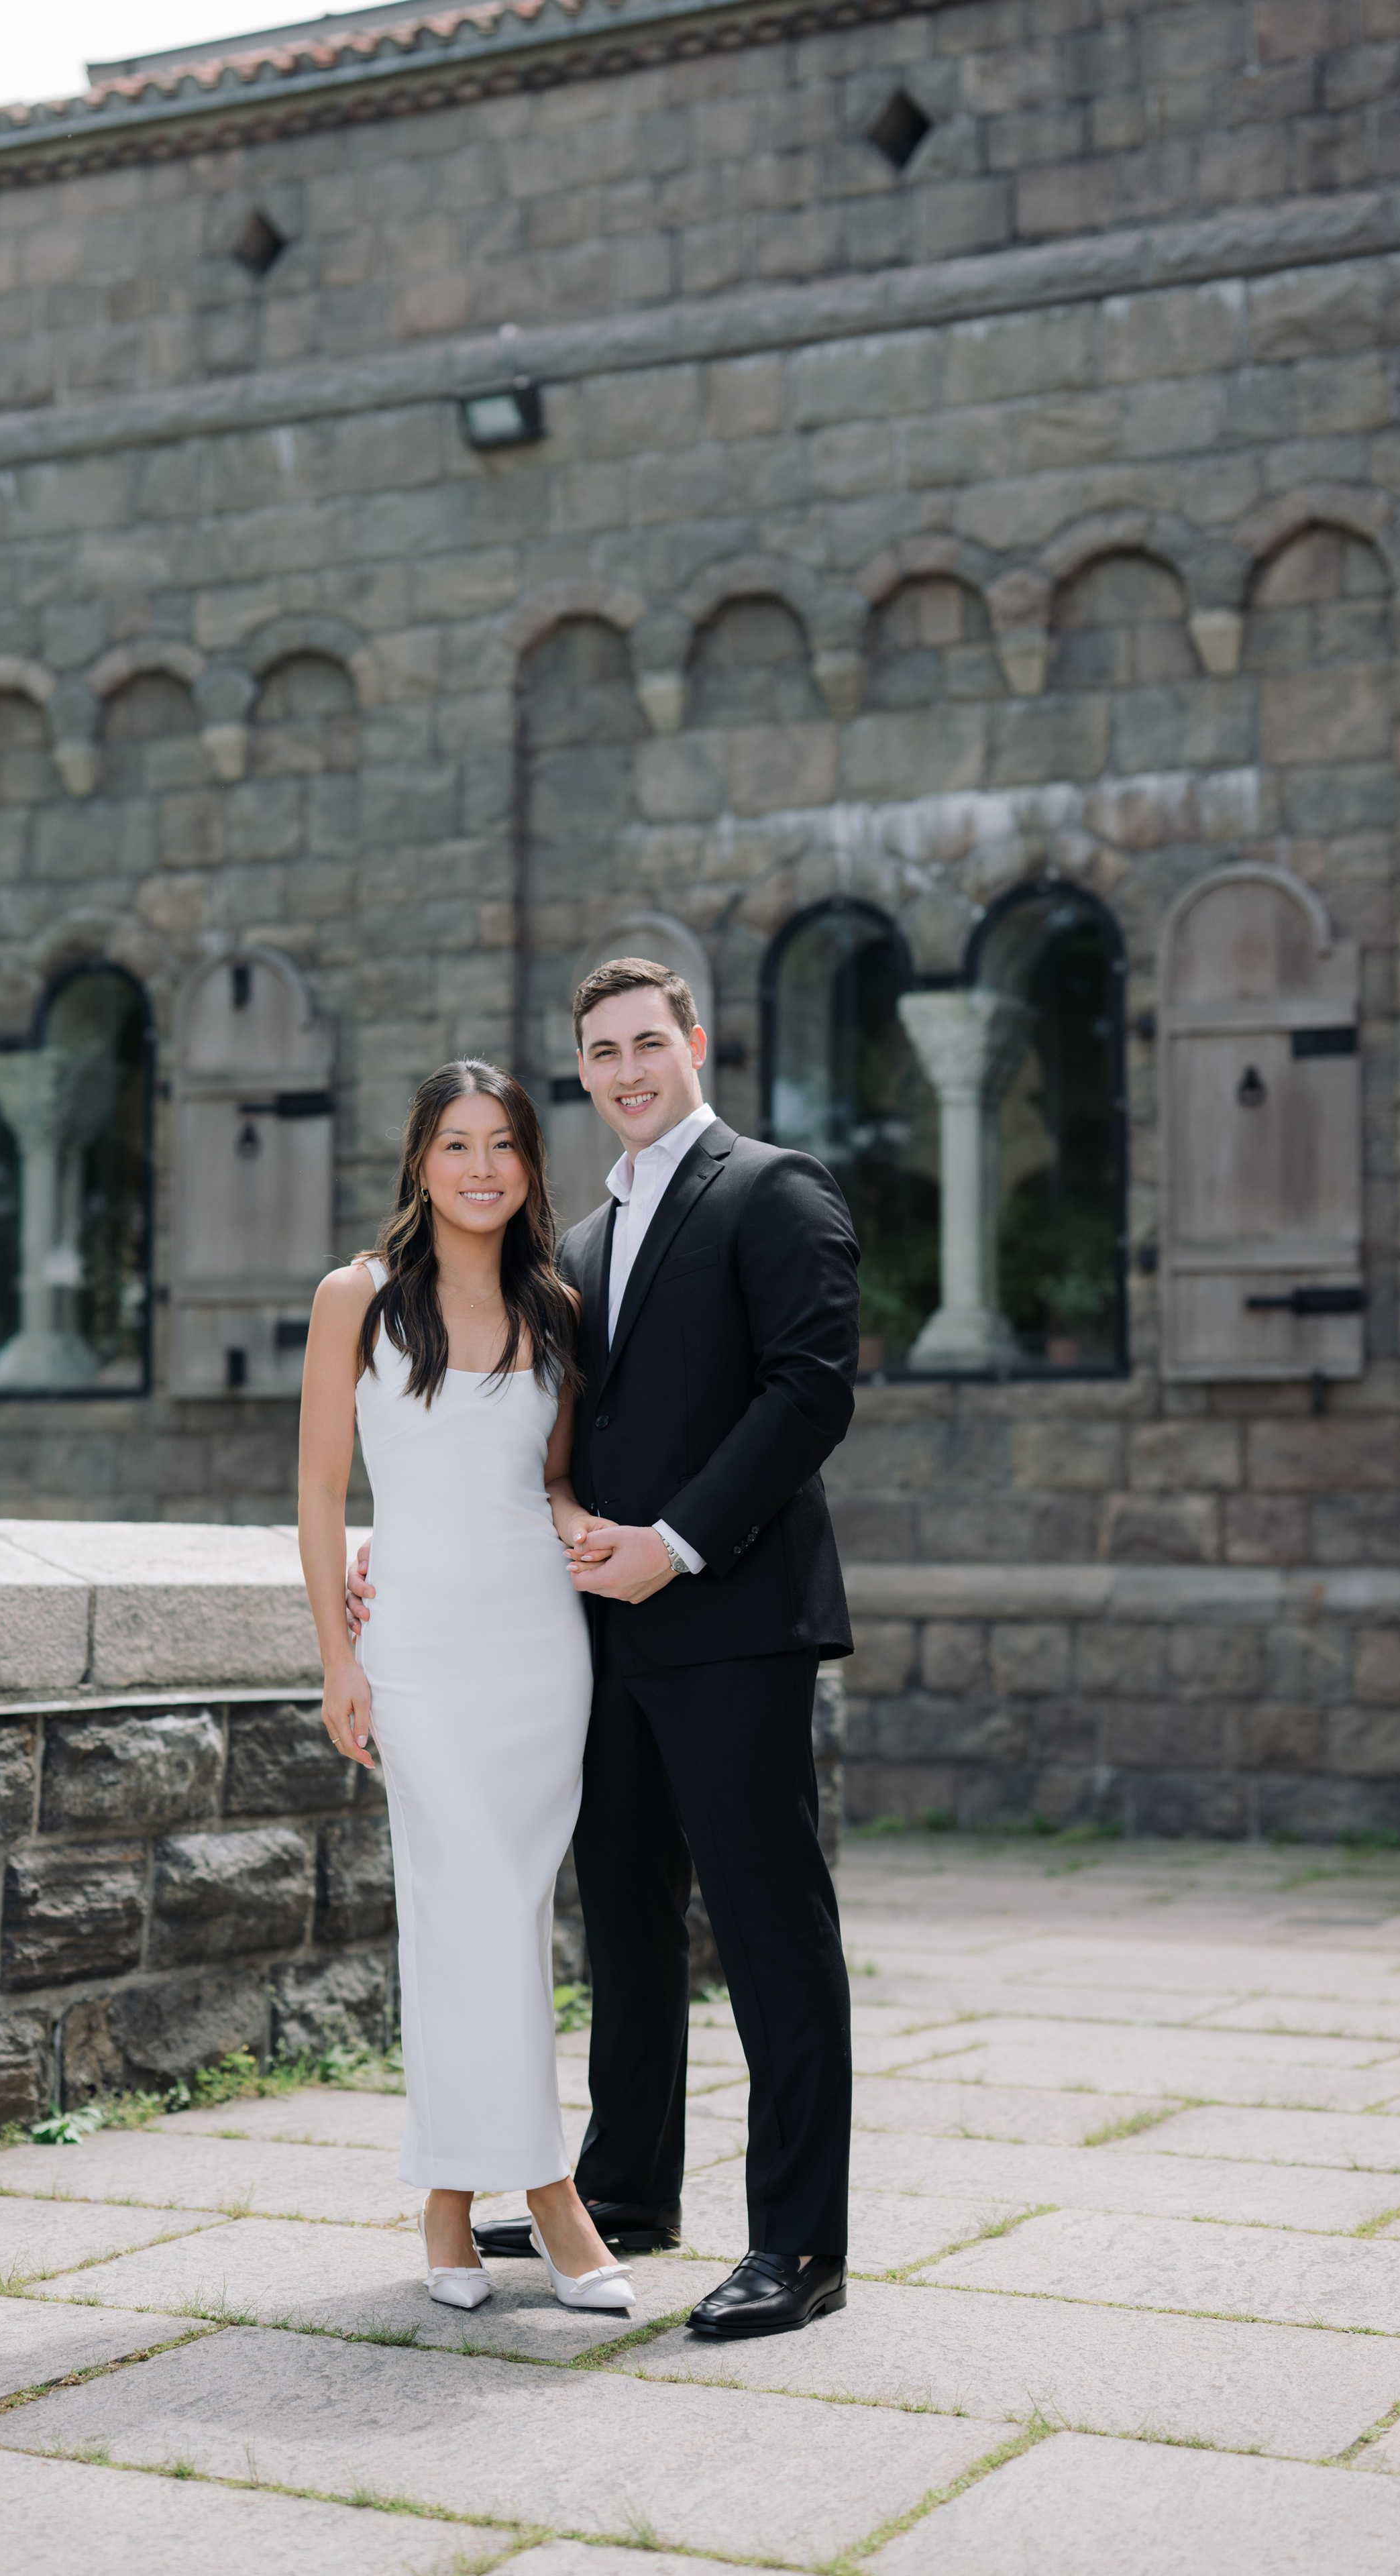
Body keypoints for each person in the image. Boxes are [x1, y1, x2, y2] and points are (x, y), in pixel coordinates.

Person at [354, 959, 858, 2338]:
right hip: (588, 1637)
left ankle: (800, 2245)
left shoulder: (773, 1187)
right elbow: (546, 1446)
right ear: (582, 1072)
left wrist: (675, 1541)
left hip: (730, 1620)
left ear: (694, 1043)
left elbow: (809, 1389)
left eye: (649, 1042)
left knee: (767, 1931)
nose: (628, 1068)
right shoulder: (567, 1251)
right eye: (602, 1051)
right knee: (625, 1925)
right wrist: (413, 1539)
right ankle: (628, 2188)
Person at [299, 1059, 635, 2316]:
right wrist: (339, 1655)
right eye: (456, 1144)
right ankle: (552, 2197)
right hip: (420, 1650)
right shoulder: (360, 1298)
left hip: (538, 1650)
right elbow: (323, 1491)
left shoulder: (559, 1305)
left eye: (503, 1146)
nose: (481, 1168)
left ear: (531, 1166)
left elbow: (541, 1479)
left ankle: (447, 2205)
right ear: (419, 1161)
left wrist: (581, 1525)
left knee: (481, 1914)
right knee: (480, 1904)